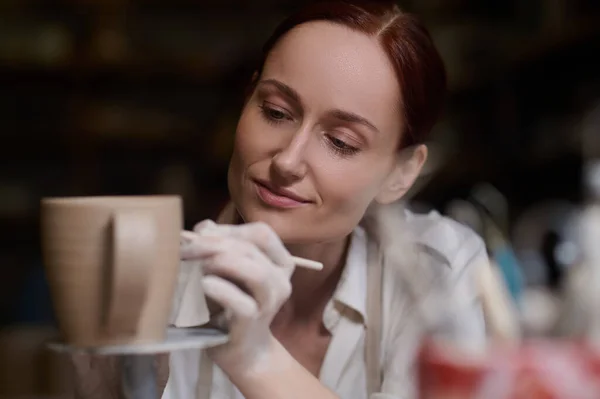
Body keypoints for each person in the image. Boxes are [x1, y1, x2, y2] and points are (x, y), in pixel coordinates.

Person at [72, 1, 489, 398]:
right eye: (275, 112)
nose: (288, 161)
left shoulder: (434, 271)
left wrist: (255, 358)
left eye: (341, 142)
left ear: (402, 173)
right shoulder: (149, 284)